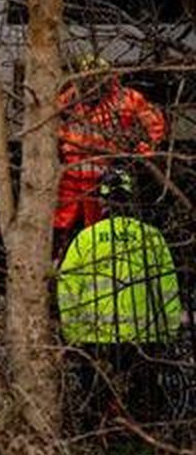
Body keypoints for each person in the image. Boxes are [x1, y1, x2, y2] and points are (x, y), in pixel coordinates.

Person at [58, 169, 184, 427]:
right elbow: (168, 289)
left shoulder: (86, 239)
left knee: (96, 399)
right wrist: (169, 330)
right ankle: (144, 438)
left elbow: (68, 290)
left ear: (102, 201)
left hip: (96, 337)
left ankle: (99, 438)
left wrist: (73, 334)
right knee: (144, 399)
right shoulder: (152, 238)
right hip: (145, 337)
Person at [56, 54, 165, 253]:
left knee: (102, 234)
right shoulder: (69, 100)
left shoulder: (126, 99)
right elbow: (49, 127)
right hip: (70, 180)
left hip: (106, 180)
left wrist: (140, 151)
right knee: (63, 231)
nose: (91, 85)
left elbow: (155, 126)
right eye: (86, 79)